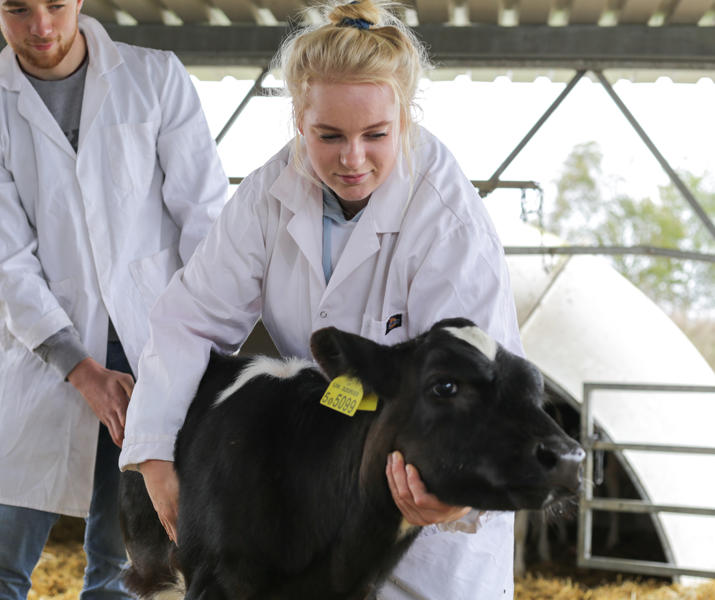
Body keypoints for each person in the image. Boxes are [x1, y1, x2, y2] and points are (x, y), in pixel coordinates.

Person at [119, 0, 523, 597]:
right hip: (311, 494)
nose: (351, 159)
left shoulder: (449, 221)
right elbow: (188, 320)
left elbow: (471, 383)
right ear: (297, 121)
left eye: (376, 135)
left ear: (405, 120)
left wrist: (450, 491)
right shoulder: (270, 193)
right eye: (328, 135)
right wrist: (153, 451)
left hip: (425, 546)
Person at [0, 0, 228, 597]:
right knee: (2, 558)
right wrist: (81, 369)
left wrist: (197, 352)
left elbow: (203, 214)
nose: (41, 27)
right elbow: (6, 259)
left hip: (153, 347)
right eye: (17, 8)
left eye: (54, 4)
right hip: (42, 353)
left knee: (126, 564)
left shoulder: (154, 77)